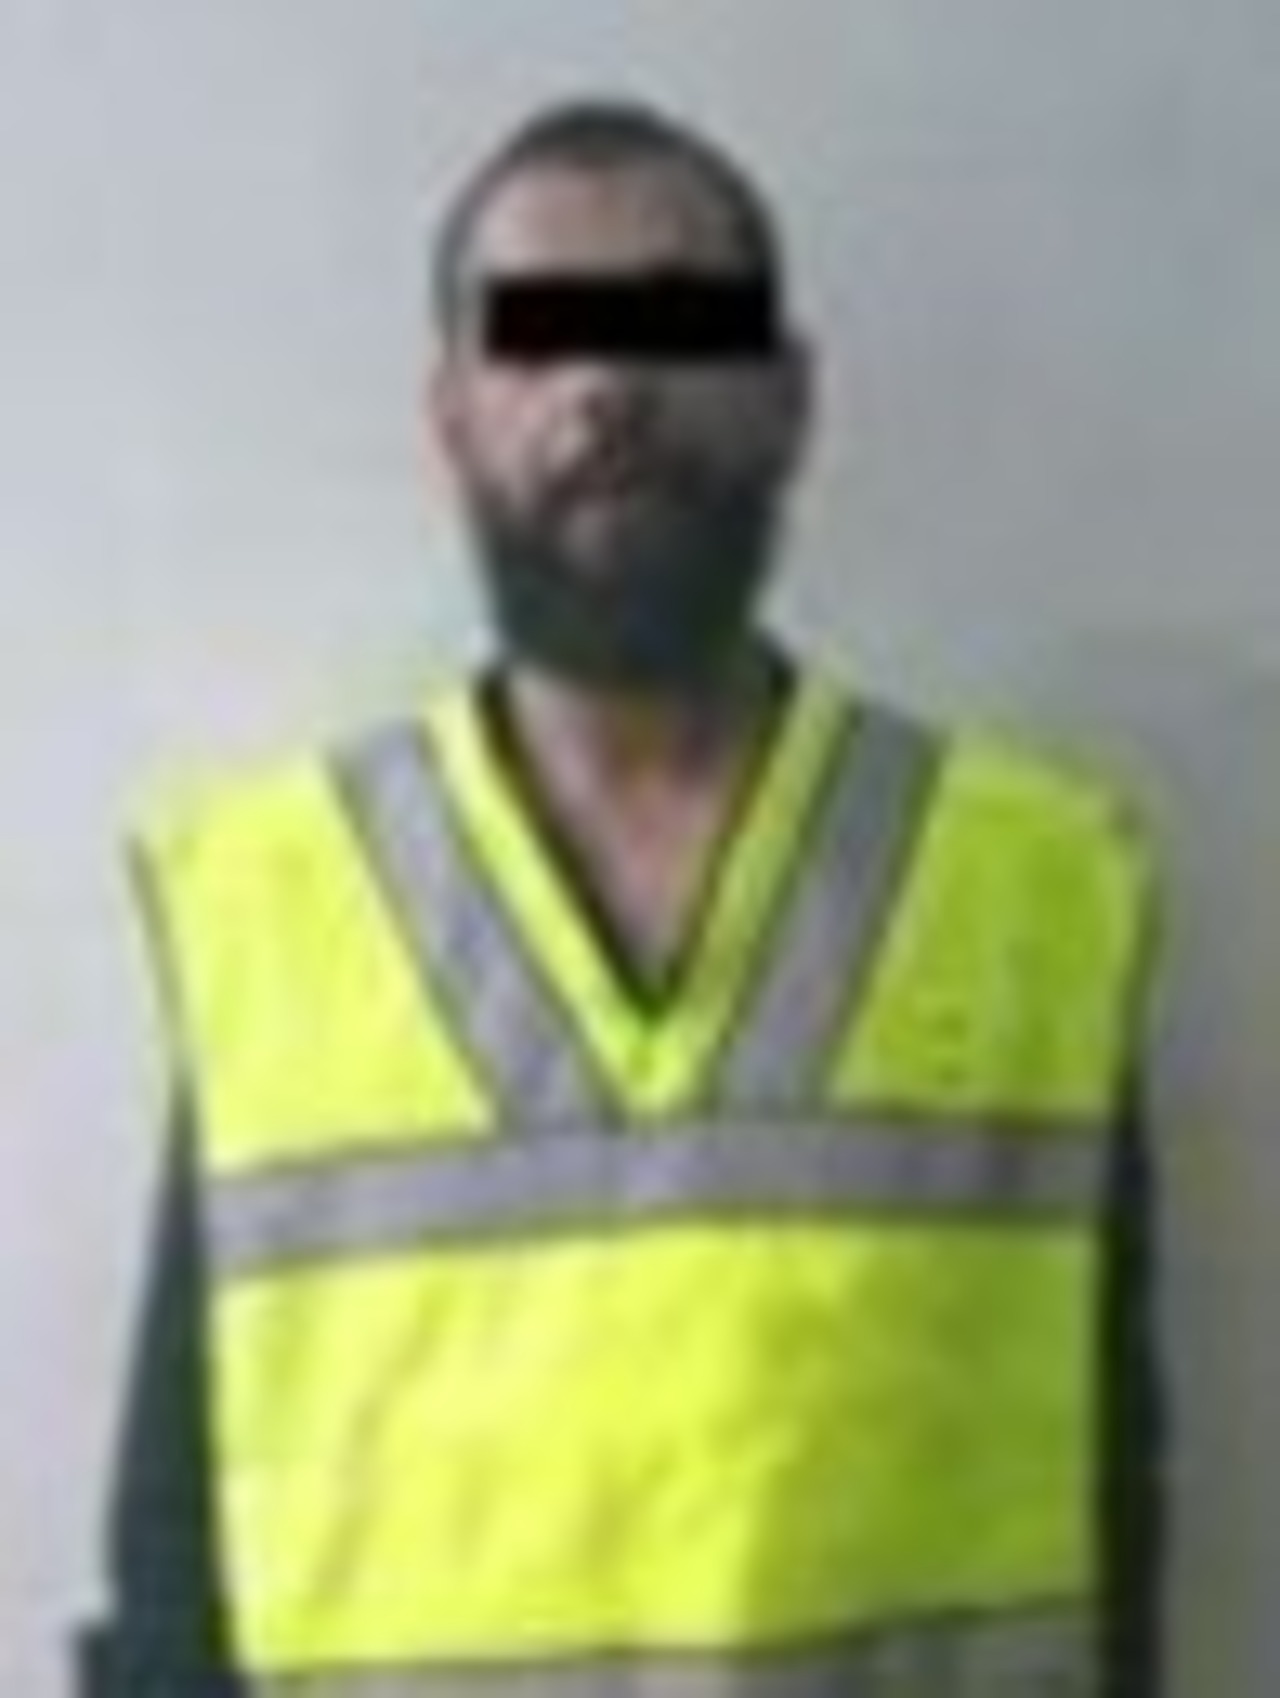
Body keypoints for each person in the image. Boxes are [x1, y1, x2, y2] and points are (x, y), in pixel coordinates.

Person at [78, 97, 1166, 1697]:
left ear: (789, 399)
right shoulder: (283, 901)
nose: (605, 388)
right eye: (537, 337)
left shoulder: (1025, 887)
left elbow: (1112, 1494)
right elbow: (176, 1569)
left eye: (675, 323)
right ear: (453, 419)